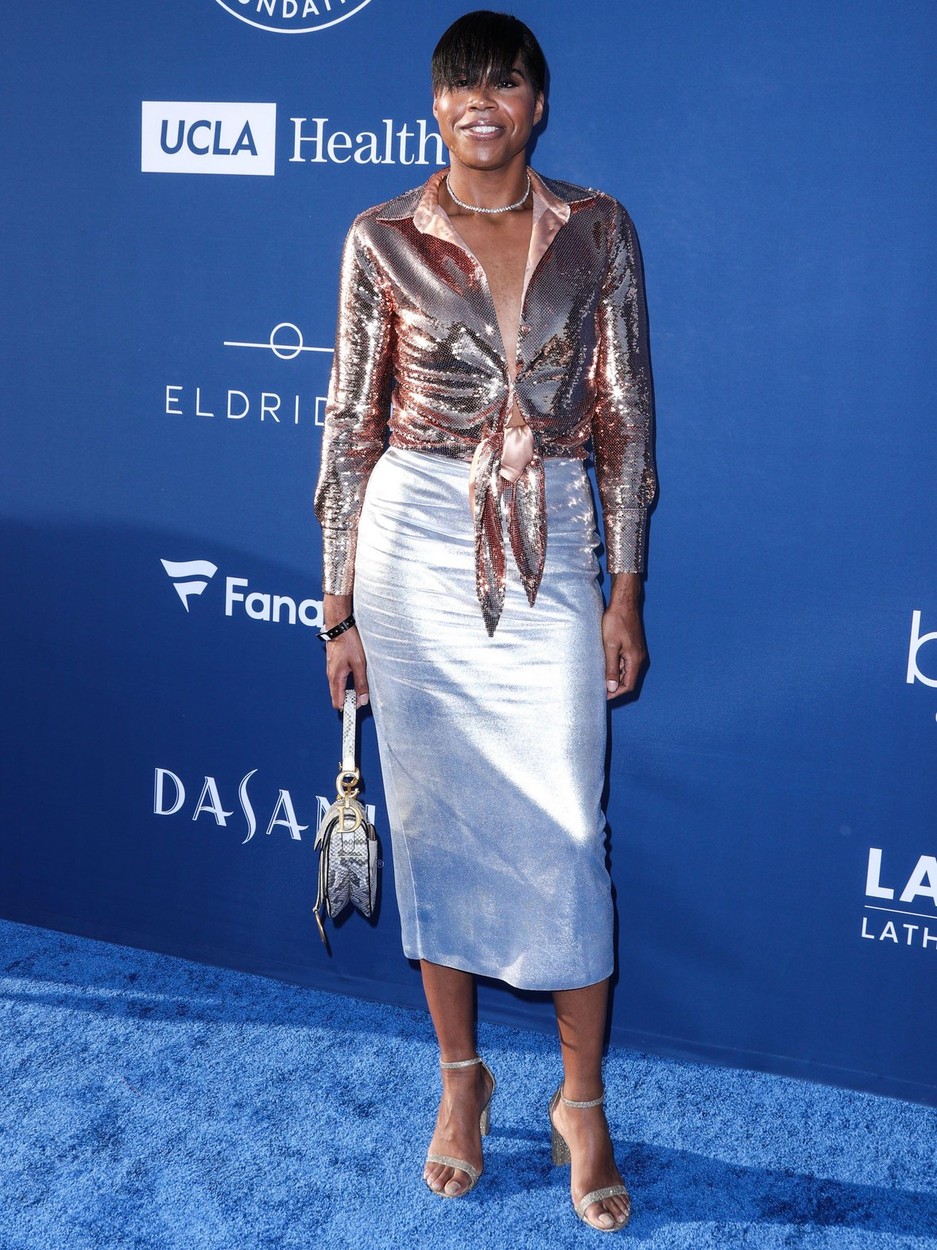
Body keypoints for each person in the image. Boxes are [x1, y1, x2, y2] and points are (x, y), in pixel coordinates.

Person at [314, 10, 656, 1233]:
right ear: (433, 105)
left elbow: (625, 420)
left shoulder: (600, 229)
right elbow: (350, 419)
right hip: (411, 542)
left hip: (552, 535)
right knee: (435, 823)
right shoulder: (380, 236)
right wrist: (338, 605)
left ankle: (580, 1099)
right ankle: (461, 1077)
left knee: (567, 825)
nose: (479, 102)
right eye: (459, 84)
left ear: (536, 105)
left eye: (502, 82)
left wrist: (624, 588)